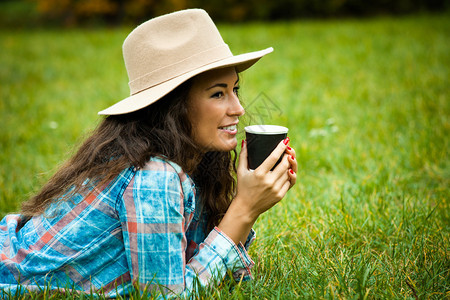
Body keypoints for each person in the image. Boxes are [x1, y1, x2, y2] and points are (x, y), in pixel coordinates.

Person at [0, 9, 297, 298]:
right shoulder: (153, 177)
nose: (239, 108)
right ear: (173, 106)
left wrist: (249, 202)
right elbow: (166, 294)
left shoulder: (192, 160)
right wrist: (244, 208)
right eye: (218, 94)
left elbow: (217, 273)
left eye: (235, 89)